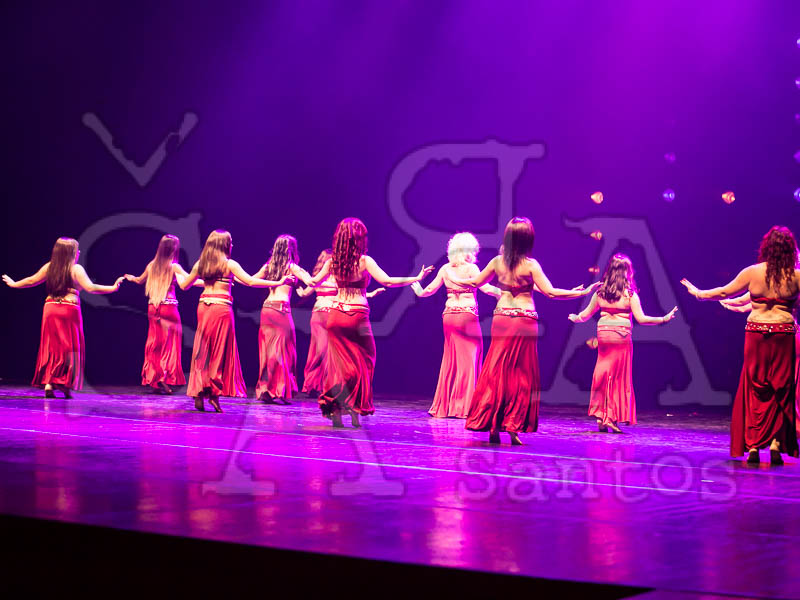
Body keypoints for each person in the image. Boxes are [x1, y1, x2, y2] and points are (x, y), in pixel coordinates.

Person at [454, 217, 598, 445]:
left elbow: (475, 283)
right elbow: (550, 292)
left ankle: (493, 424)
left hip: (502, 318)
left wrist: (451, 276)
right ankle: (513, 426)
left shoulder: (497, 262)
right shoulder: (531, 265)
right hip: (523, 321)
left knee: (496, 370)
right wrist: (579, 293)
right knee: (521, 374)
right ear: (528, 239)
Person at [682, 225, 800, 464]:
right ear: (791, 249)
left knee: (755, 386)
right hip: (783, 334)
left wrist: (699, 293)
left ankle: (754, 445)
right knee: (781, 388)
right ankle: (776, 444)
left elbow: (724, 292)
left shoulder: (753, 272)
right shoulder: (796, 276)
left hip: (756, 333)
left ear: (766, 247)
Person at [309, 218, 434, 427]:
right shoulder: (365, 261)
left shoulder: (332, 263)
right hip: (357, 317)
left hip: (336, 316)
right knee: (365, 360)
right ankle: (354, 408)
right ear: (360, 239)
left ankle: (336, 409)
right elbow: (387, 281)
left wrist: (294, 273)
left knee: (338, 365)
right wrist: (416, 278)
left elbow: (313, 282)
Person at [179, 230, 290, 413]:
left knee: (202, 350)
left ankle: (199, 392)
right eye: (230, 242)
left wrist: (179, 274)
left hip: (204, 307)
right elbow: (250, 282)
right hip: (221, 309)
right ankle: (213, 394)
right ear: (224, 244)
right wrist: (278, 282)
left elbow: (184, 286)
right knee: (218, 352)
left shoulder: (201, 264)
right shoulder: (229, 264)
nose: (232, 245)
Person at [568, 254, 677, 433]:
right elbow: (642, 319)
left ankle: (601, 416)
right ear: (627, 272)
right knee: (617, 376)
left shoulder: (600, 292)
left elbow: (585, 315)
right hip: (621, 337)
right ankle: (610, 417)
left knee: (603, 373)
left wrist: (575, 318)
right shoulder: (629, 294)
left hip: (604, 335)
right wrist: (663, 319)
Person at [3, 237, 123, 398]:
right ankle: (64, 383)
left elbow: (31, 280)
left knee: (51, 346)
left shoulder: (49, 267)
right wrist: (112, 288)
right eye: (77, 250)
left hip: (50, 308)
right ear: (72, 253)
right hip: (68, 309)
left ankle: (49, 383)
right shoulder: (76, 269)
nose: (79, 252)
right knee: (69, 347)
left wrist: (14, 283)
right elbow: (91, 288)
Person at [411, 232, 500, 418]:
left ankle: (447, 406)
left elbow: (428, 290)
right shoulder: (472, 269)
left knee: (451, 360)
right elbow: (486, 288)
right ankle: (465, 407)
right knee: (469, 361)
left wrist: (418, 289)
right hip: (466, 317)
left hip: (449, 317)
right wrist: (504, 293)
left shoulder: (445, 269)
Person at [297, 248, 384, 397]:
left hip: (321, 314)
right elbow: (349, 291)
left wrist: (300, 290)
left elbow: (305, 292)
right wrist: (368, 294)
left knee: (320, 350)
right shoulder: (334, 278)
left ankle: (315, 384)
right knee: (326, 350)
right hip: (328, 314)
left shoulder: (320, 279)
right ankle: (319, 384)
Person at [125, 234, 201, 394]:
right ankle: (163, 378)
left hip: (153, 308)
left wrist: (131, 278)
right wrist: (211, 283)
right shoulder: (174, 267)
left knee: (155, 343)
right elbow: (189, 281)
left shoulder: (151, 265)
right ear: (174, 249)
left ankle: (154, 377)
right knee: (169, 344)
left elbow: (139, 280)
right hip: (168, 308)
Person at [252, 234, 317, 404]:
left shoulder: (268, 267)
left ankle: (266, 389)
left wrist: (231, 276)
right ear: (292, 250)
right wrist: (323, 277)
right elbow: (311, 282)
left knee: (269, 351)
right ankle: (279, 390)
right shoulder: (292, 267)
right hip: (281, 311)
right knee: (285, 351)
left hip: (267, 309)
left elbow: (251, 281)